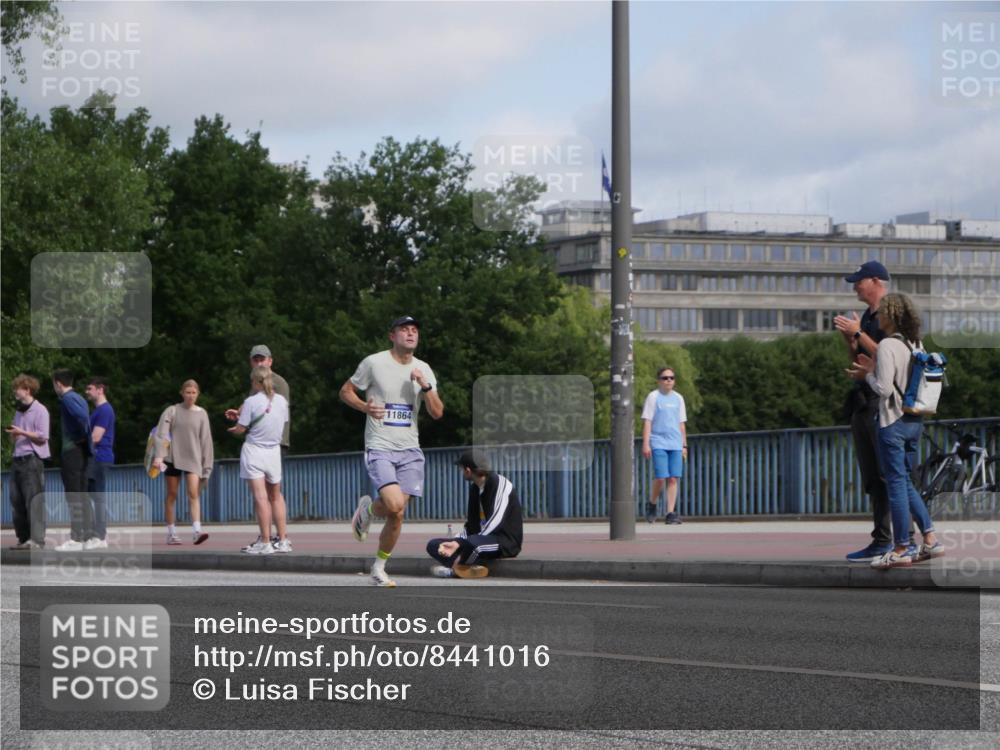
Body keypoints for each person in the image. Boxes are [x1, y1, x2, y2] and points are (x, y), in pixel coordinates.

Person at [340, 315, 445, 587]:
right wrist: (364, 407)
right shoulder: (374, 362)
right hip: (380, 445)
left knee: (396, 513)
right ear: (392, 336)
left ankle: (378, 566)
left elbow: (437, 412)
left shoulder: (424, 368)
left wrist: (426, 386)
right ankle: (370, 513)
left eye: (414, 330)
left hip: (411, 448)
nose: (410, 334)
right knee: (395, 504)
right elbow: (346, 391)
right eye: (404, 330)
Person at [847, 293, 943, 569]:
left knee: (896, 485)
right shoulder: (914, 343)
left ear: (889, 315)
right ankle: (931, 539)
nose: (878, 318)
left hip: (892, 422)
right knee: (907, 482)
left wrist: (866, 374)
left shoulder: (888, 344)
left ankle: (902, 547)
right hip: (914, 421)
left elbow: (884, 389)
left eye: (882, 314)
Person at [833, 260, 906, 562]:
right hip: (864, 401)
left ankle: (906, 539)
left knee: (890, 473)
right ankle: (881, 538)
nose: (855, 286)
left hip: (884, 403)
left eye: (859, 281)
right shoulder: (866, 316)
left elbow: (893, 354)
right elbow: (862, 356)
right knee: (873, 476)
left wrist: (859, 332)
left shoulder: (892, 312)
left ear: (876, 281)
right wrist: (850, 339)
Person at [226, 344, 290, 547]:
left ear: (270, 360)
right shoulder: (273, 396)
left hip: (263, 446)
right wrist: (242, 414)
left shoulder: (277, 384)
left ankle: (265, 541)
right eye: (256, 359)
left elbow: (259, 414)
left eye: (263, 359)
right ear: (251, 361)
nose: (259, 362)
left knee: (262, 496)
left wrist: (238, 426)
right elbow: (272, 412)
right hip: (272, 445)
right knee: (274, 495)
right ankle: (281, 539)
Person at [426, 450, 523, 579]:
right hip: (478, 538)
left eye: (461, 469)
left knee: (473, 545)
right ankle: (462, 568)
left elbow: (496, 521)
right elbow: (472, 526)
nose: (461, 473)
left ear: (467, 470)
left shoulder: (500, 483)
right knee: (434, 544)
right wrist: (456, 540)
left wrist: (462, 543)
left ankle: (455, 568)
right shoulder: (475, 488)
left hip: (504, 542)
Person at [153, 380, 214, 545]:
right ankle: (172, 533)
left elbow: (206, 441)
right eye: (188, 392)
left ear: (198, 394)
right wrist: (159, 456)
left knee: (193, 493)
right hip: (172, 458)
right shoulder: (172, 411)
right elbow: (161, 433)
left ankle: (197, 531)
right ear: (182, 393)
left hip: (193, 459)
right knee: (172, 494)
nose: (191, 396)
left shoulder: (202, 414)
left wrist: (207, 466)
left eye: (194, 392)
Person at [51, 370, 94, 551]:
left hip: (72, 451)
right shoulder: (80, 398)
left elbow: (82, 418)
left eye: (54, 384)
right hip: (82, 452)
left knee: (73, 494)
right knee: (82, 493)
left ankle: (76, 538)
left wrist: (79, 437)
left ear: (58, 383)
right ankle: (88, 537)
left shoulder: (67, 399)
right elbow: (85, 418)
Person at [6, 374, 50, 549]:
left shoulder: (40, 410)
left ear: (27, 390)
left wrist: (22, 433)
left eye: (18, 388)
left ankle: (37, 539)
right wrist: (14, 435)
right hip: (17, 458)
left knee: (33, 500)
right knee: (16, 500)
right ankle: (23, 538)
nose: (15, 392)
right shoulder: (19, 411)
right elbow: (18, 435)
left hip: (31, 460)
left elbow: (43, 437)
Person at [641, 366, 688, 524]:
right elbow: (648, 421)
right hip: (658, 441)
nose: (668, 380)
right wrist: (646, 444)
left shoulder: (678, 398)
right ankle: (652, 504)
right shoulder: (653, 397)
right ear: (659, 381)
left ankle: (670, 513)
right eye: (665, 378)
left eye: (671, 378)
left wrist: (684, 445)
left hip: (675, 442)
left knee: (673, 478)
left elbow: (681, 424)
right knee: (661, 477)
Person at [84, 377, 115, 549]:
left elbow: (96, 437)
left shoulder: (104, 410)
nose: (87, 392)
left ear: (100, 389)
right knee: (90, 496)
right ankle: (95, 534)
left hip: (100, 458)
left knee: (98, 497)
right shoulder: (96, 411)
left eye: (89, 388)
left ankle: (100, 536)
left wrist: (78, 445)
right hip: (94, 458)